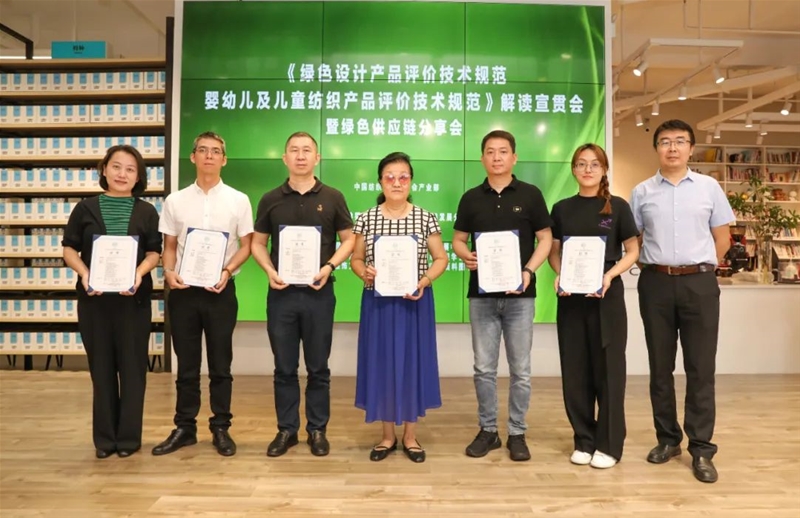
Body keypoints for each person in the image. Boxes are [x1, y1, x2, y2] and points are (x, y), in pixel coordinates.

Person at [631, 119, 734, 483]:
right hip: (656, 283)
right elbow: (633, 240)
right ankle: (668, 439)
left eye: (679, 141)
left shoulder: (709, 187)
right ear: (656, 148)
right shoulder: (642, 191)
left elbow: (723, 238)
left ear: (691, 147)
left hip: (699, 285)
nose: (672, 148)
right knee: (660, 367)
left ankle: (702, 448)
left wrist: (700, 267)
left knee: (700, 368)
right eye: (665, 142)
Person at [251, 132, 354, 457]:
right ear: (284, 158)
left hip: (319, 294)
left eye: (306, 150)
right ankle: (287, 430)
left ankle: (317, 430)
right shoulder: (270, 199)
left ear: (317, 157)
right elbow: (257, 243)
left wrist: (329, 266)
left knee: (318, 367)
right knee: (284, 367)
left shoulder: (333, 197)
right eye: (294, 150)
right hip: (281, 294)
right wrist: (269, 271)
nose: (300, 155)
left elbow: (349, 239)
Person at [152, 131, 254, 457]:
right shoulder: (175, 200)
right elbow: (169, 245)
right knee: (187, 365)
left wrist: (227, 271)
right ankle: (184, 427)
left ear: (224, 159)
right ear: (193, 156)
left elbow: (247, 245)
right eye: (203, 150)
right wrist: (168, 271)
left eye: (216, 151)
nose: (209, 156)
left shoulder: (238, 200)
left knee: (221, 364)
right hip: (184, 291)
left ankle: (221, 427)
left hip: (220, 291)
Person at [453, 130, 553, 462]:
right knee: (483, 368)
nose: (497, 157)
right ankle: (488, 431)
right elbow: (458, 240)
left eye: (503, 151)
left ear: (514, 157)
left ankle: (517, 432)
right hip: (481, 296)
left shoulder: (531, 194)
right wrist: (465, 255)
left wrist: (528, 271)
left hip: (520, 297)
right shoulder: (471, 198)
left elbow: (545, 239)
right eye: (490, 152)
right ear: (482, 158)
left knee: (520, 369)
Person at [62, 145, 161, 459]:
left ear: (139, 177)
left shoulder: (147, 211)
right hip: (95, 303)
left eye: (130, 169)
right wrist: (84, 273)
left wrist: (138, 274)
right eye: (116, 167)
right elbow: (69, 249)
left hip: (133, 302)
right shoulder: (85, 208)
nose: (122, 174)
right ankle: (105, 440)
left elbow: (154, 253)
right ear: (104, 169)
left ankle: (129, 439)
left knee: (133, 371)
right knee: (101, 370)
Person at [350, 152, 448, 463]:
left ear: (411, 181)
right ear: (380, 182)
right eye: (389, 177)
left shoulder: (425, 217)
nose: (396, 182)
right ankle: (387, 436)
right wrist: (363, 272)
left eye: (403, 177)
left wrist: (425, 280)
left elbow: (441, 259)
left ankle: (410, 436)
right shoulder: (366, 218)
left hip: (414, 303)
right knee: (381, 364)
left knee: (412, 364)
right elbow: (356, 259)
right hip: (378, 304)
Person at [547, 143, 639, 469]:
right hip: (571, 299)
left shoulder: (618, 207)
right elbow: (554, 251)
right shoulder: (562, 208)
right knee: (575, 371)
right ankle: (584, 440)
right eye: (581, 164)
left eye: (594, 164)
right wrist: (560, 275)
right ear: (573, 169)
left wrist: (609, 276)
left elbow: (632, 251)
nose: (588, 170)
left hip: (606, 297)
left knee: (609, 370)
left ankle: (609, 444)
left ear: (604, 169)